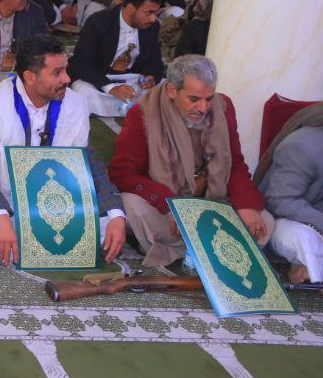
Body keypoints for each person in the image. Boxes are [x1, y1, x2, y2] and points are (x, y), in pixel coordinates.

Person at [0, 35, 128, 263]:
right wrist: (0, 216)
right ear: (30, 77)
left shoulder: (75, 104)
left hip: (58, 203)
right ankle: (14, 233)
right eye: (57, 73)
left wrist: (116, 214)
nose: (67, 79)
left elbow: (91, 164)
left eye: (66, 70)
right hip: (7, 199)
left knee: (111, 224)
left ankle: (26, 240)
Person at [109, 55, 274, 267]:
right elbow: (123, 174)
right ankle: (214, 250)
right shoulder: (142, 115)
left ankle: (190, 249)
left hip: (213, 202)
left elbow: (235, 164)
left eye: (209, 98)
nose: (203, 107)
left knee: (266, 222)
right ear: (172, 90)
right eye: (194, 99)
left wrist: (246, 205)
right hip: (166, 207)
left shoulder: (223, 108)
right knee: (131, 204)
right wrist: (170, 205)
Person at [69, 0, 166, 117]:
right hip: (101, 80)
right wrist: (112, 89)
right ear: (131, 8)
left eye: (155, 13)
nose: (153, 19)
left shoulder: (152, 26)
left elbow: (155, 62)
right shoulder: (98, 22)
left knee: (167, 88)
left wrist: (151, 77)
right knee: (82, 92)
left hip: (133, 81)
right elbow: (82, 63)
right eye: (149, 13)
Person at [256, 105, 323, 284]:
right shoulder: (302, 146)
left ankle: (305, 268)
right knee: (304, 238)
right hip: (283, 222)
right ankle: (312, 271)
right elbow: (279, 201)